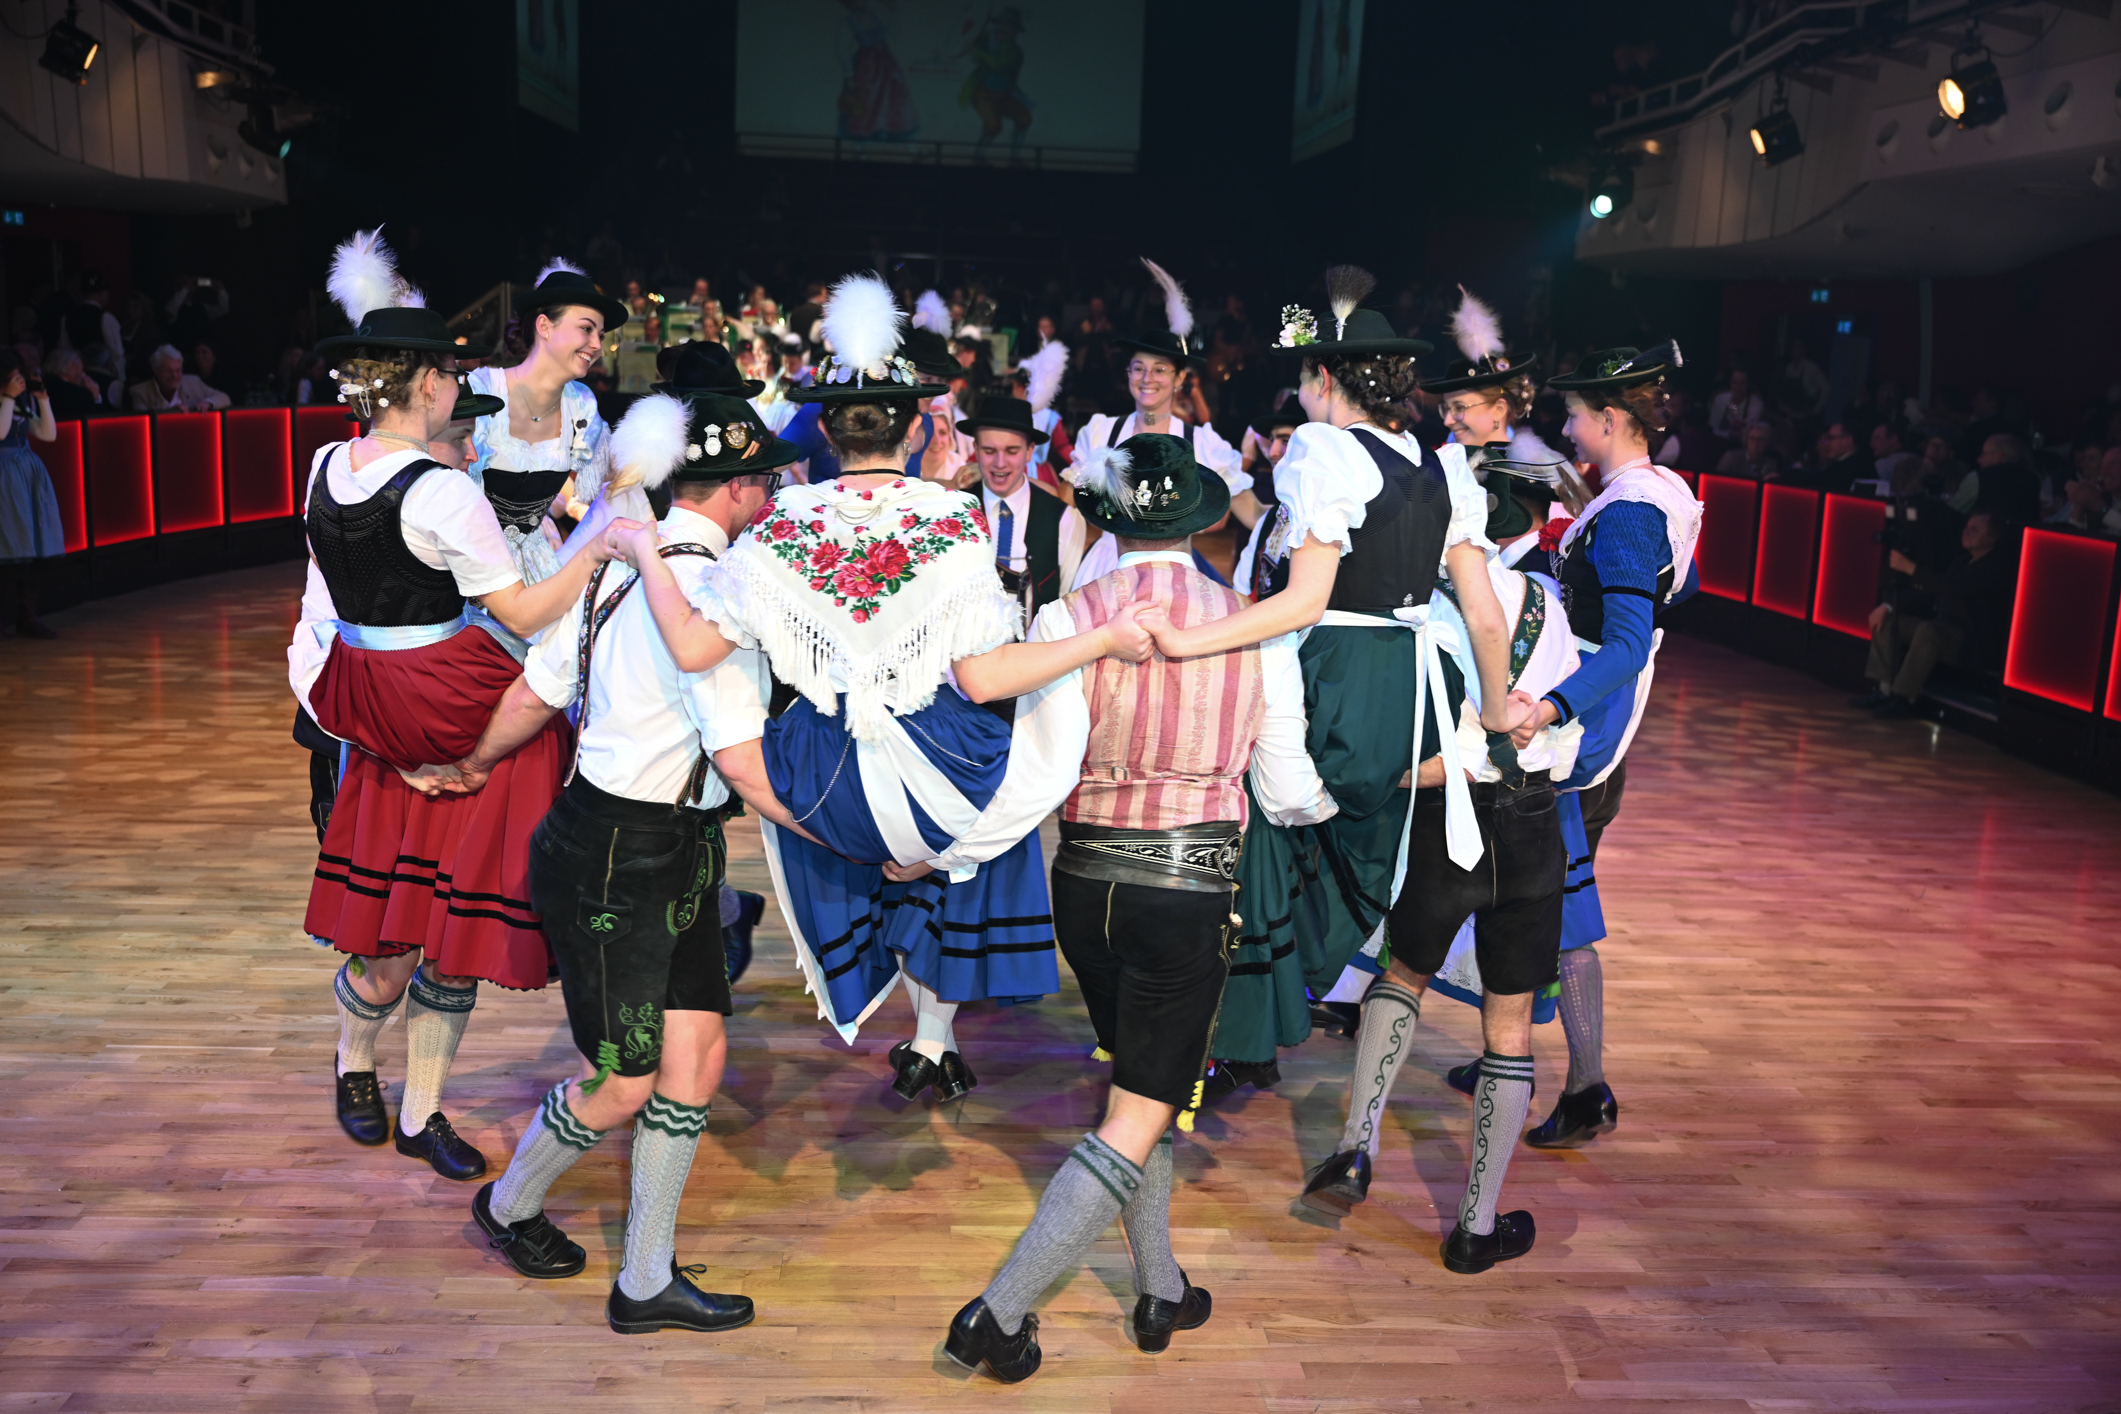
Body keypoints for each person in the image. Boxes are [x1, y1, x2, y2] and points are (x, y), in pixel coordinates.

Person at [613, 274, 1156, 1100]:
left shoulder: (783, 519)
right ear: (913, 428)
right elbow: (982, 676)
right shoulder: (950, 517)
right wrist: (1102, 640)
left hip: (823, 785)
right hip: (942, 781)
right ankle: (936, 1001)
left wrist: (646, 552)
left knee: (800, 750)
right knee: (1020, 753)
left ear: (828, 431)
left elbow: (691, 648)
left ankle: (917, 1012)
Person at [941, 432, 1334, 1382]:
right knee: (1139, 1106)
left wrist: (948, 852)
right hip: (1186, 890)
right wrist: (1338, 814)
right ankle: (997, 1313)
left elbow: (1037, 771)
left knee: (1139, 1090)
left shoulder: (1069, 615)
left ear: (1110, 522)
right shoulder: (1253, 623)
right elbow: (1285, 787)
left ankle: (1160, 1285)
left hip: (1084, 885)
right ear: (1199, 521)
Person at [451, 391, 801, 1333]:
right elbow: (740, 761)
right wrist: (846, 842)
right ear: (738, 489)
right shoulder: (712, 589)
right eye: (767, 481)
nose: (774, 495)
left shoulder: (613, 563)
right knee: (624, 1080)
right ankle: (508, 1204)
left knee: (698, 1054)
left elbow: (539, 690)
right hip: (617, 855)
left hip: (664, 846)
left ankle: (645, 1279)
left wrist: (476, 761)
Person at [297, 230, 637, 1179]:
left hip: (417, 707)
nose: (461, 384)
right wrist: (598, 547)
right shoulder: (442, 491)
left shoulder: (326, 464)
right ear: (423, 385)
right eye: (448, 372)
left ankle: (422, 1111)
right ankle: (353, 1060)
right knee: (391, 948)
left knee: (449, 938)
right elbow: (522, 611)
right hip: (425, 709)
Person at [1138, 266, 1524, 1096]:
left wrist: (1188, 640)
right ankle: (1275, 1008)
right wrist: (1492, 717)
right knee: (1353, 857)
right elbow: (1485, 617)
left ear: (1323, 378)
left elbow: (1304, 602)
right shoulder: (1443, 465)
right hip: (1418, 691)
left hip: (1339, 678)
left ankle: (1246, 1032)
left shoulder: (1322, 452)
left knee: (1265, 844)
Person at [1300, 481, 1582, 1277]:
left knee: (1402, 973)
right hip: (1531, 819)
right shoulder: (1546, 604)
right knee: (1510, 1019)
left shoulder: (1418, 609)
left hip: (1445, 811)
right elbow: (1566, 732)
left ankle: (1355, 1148)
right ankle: (1474, 1226)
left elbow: (1391, 735)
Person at [1501, 343, 1704, 1149]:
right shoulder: (1658, 493)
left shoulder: (1628, 512)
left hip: (1579, 738)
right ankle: (1512, 1048)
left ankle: (1584, 1086)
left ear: (1610, 419)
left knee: (1562, 916)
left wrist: (1549, 706)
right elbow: (1682, 589)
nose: (1565, 427)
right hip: (1592, 727)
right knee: (1543, 907)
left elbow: (1623, 644)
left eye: (1576, 414)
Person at [465, 258, 630, 622]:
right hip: (469, 566)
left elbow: (604, 475)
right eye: (586, 329)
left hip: (538, 565)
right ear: (544, 326)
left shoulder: (581, 404)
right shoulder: (482, 391)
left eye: (600, 335)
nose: (596, 345)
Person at [1070, 261, 1252, 589]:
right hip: (1108, 564)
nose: (1147, 378)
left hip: (1175, 568)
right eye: (1138, 368)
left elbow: (1243, 511)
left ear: (1180, 378)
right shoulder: (1101, 432)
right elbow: (1069, 496)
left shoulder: (1201, 441)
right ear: (1128, 373)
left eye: (1160, 369)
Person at [1856, 510, 2012, 718]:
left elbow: (1955, 589)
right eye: (1966, 527)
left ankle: (1903, 697)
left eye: (1975, 530)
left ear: (1992, 538)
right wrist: (1888, 606)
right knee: (1889, 621)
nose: (1966, 532)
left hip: (1970, 641)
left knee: (1928, 630)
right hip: (1941, 627)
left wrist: (1911, 568)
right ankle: (1882, 689)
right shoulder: (1961, 562)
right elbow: (1930, 593)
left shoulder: (1997, 567)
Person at [957, 393, 1081, 617]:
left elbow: (1064, 601)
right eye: (989, 451)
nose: (1000, 463)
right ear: (975, 448)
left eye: (1012, 451)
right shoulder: (955, 510)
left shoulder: (1063, 518)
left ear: (1029, 451)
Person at [0, 348, 63, 639]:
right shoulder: (8, 402)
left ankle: (27, 616)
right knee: (8, 546)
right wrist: (8, 398)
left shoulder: (20, 402)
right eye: (13, 378)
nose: (19, 383)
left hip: (26, 476)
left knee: (31, 546)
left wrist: (42, 400)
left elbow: (48, 434)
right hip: (5, 477)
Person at [128, 343, 232, 412]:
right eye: (168, 371)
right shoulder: (140, 392)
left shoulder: (193, 382)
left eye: (178, 370)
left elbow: (224, 397)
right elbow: (144, 424)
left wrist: (208, 402)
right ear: (156, 371)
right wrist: (171, 413)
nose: (175, 376)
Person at [40, 348, 102, 420]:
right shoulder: (79, 395)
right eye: (82, 370)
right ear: (71, 368)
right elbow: (96, 420)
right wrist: (96, 397)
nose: (83, 374)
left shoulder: (40, 385)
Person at [1714, 421, 1781, 481]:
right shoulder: (1731, 457)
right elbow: (1717, 480)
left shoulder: (1771, 464)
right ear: (1746, 440)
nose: (1756, 443)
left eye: (1761, 439)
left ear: (1767, 442)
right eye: (1752, 438)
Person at [1708, 367, 1763, 440]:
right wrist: (1728, 434)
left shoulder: (1756, 404)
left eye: (1742, 383)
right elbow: (1713, 427)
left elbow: (1750, 430)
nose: (1737, 386)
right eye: (1734, 382)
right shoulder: (1720, 399)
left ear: (1749, 385)